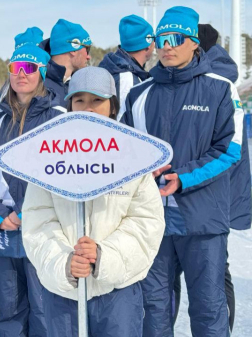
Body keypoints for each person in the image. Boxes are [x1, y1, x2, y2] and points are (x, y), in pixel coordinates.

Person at [120, 7, 245, 337]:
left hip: (202, 219)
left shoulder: (220, 89)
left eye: (176, 39)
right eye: (161, 39)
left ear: (194, 44)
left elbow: (230, 150)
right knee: (154, 308)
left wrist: (184, 177)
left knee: (208, 306)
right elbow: (124, 151)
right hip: (151, 221)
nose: (167, 46)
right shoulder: (138, 94)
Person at [22, 66, 165, 336]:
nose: (88, 109)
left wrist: (103, 256)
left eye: (97, 100)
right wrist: (65, 263)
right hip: (64, 294)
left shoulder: (132, 157)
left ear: (112, 107)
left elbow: (146, 223)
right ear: (69, 106)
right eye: (80, 100)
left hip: (117, 293)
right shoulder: (49, 158)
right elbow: (37, 222)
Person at [0, 44, 64, 336]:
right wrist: (0, 215)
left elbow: (63, 175)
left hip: (45, 229)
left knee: (45, 308)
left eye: (29, 68)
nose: (21, 74)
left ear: (42, 73)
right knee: (9, 310)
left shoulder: (59, 118)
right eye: (15, 68)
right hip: (3, 230)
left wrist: (29, 213)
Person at [171, 23, 251, 333]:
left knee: (211, 283)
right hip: (219, 195)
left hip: (209, 195)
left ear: (197, 47)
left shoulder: (215, 85)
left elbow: (227, 150)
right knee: (216, 276)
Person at [99, 14, 154, 108]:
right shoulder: (126, 78)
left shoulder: (118, 69)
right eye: (154, 39)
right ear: (148, 43)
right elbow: (122, 120)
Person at [38, 19, 91, 107]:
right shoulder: (36, 84)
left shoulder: (80, 83)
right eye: (87, 50)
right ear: (74, 49)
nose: (88, 57)